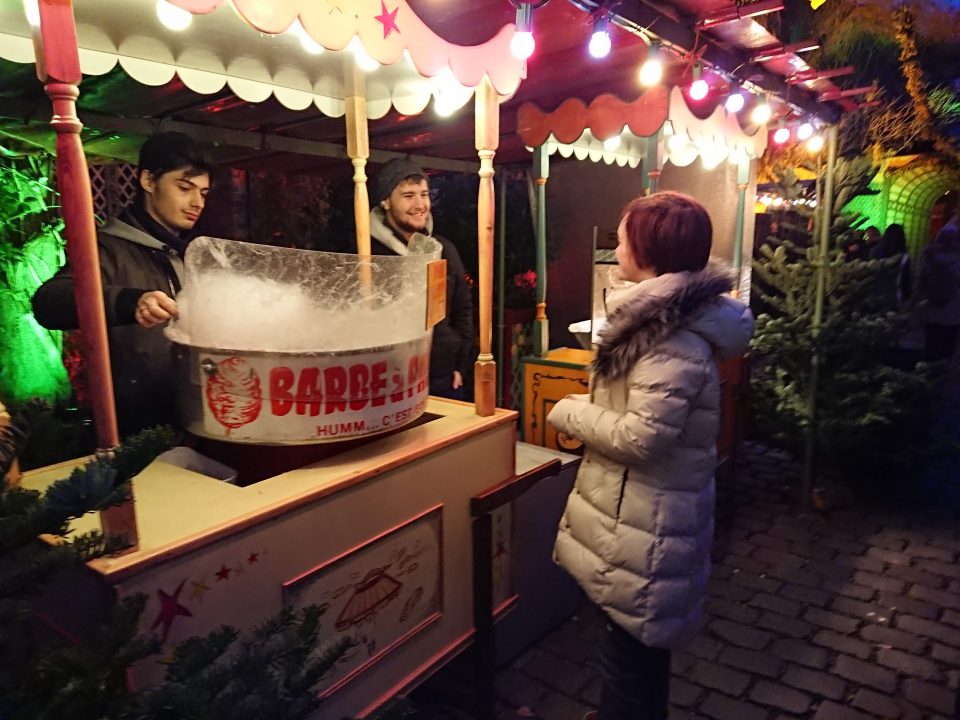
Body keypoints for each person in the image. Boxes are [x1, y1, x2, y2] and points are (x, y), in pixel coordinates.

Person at [547, 192, 754, 720]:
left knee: (630, 654)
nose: (616, 248)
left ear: (649, 251)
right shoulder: (662, 321)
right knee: (634, 650)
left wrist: (569, 411)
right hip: (639, 520)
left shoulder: (668, 338)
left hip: (647, 525)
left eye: (622, 239)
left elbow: (643, 438)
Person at [33, 132, 214, 435]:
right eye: (184, 188)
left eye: (204, 194)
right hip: (136, 430)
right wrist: (130, 301)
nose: (196, 203)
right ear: (148, 181)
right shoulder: (107, 249)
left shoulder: (189, 255)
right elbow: (48, 302)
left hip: (195, 419)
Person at [369, 158, 473, 399]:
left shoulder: (442, 249)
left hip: (442, 376)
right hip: (389, 380)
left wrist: (460, 364)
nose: (420, 204)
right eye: (408, 196)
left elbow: (463, 308)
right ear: (386, 201)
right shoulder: (369, 253)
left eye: (424, 195)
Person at [920, 223, 960, 362]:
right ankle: (942, 371)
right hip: (953, 311)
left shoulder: (929, 257)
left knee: (930, 347)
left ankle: (925, 371)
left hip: (932, 309)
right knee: (947, 351)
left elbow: (922, 283)